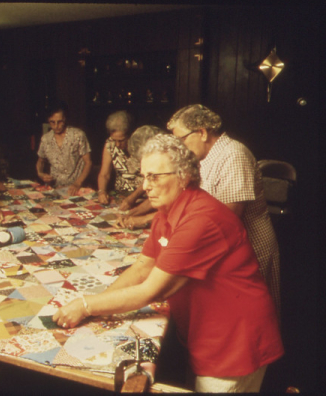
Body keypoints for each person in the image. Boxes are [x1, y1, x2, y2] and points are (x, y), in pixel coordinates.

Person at [53, 134, 283, 392]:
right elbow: (142, 267)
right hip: (208, 335)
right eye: (144, 176)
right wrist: (102, 302)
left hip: (236, 343)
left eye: (154, 176)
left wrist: (85, 306)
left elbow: (151, 290)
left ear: (184, 177)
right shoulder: (167, 213)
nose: (146, 185)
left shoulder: (201, 219)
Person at [167, 104, 280, 315]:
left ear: (202, 132)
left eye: (182, 140)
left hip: (251, 249)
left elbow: (228, 217)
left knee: (249, 318)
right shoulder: (205, 157)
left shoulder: (233, 155)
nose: (180, 148)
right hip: (225, 247)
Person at [36, 101, 92, 196]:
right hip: (56, 188)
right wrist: (40, 173)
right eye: (52, 122)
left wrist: (78, 183)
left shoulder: (78, 135)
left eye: (60, 122)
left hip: (77, 188)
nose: (56, 126)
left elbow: (88, 162)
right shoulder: (46, 139)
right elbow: (40, 161)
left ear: (65, 119)